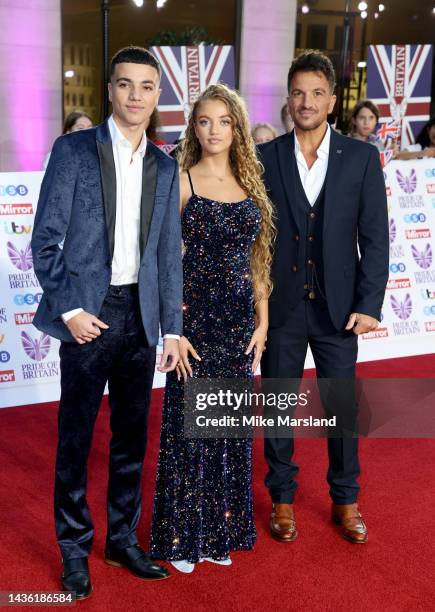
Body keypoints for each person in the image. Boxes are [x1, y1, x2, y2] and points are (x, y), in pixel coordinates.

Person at [31, 46, 183, 599]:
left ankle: (121, 540)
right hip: (89, 317)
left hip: (142, 318)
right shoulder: (72, 151)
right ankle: (74, 548)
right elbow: (44, 241)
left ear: (157, 94)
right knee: (75, 438)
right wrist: (71, 310)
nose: (135, 96)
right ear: (111, 91)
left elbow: (169, 254)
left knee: (130, 439)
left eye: (146, 86)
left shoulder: (166, 165)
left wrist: (171, 327)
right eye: (125, 85)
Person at [258, 51, 389, 545]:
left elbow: (376, 237)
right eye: (298, 93)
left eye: (317, 93)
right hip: (282, 308)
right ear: (288, 101)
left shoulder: (360, 158)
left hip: (340, 312)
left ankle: (346, 501)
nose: (306, 102)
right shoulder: (265, 159)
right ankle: (284, 500)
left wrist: (370, 303)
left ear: (333, 101)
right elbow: (256, 237)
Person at [150, 84, 274, 572]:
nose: (214, 130)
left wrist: (262, 323)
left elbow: (257, 261)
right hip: (196, 323)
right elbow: (164, 260)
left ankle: (220, 530)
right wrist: (173, 327)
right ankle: (182, 534)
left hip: (241, 324)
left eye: (224, 121)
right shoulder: (181, 180)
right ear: (193, 127)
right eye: (205, 121)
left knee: (228, 430)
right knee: (188, 429)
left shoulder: (251, 182)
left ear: (236, 127)